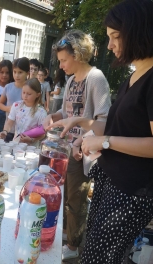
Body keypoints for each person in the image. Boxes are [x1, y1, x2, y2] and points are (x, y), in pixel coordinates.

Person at [47, 0, 153, 263]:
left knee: (98, 258)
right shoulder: (135, 75)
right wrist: (84, 128)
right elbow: (117, 126)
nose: (110, 45)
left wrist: (105, 142)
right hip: (111, 182)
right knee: (94, 254)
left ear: (140, 31)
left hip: (131, 193)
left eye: (116, 37)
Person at [42, 29, 111, 260]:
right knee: (66, 194)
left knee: (76, 199)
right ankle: (69, 234)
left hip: (84, 153)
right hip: (67, 148)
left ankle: (73, 246)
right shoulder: (71, 80)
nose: (60, 65)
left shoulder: (96, 78)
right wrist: (53, 117)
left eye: (63, 60)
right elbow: (68, 111)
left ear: (78, 55)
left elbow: (104, 120)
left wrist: (82, 139)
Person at [0, 78, 47, 145]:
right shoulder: (16, 105)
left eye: (29, 94)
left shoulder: (41, 112)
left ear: (37, 95)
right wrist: (5, 131)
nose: (25, 96)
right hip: (15, 144)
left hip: (31, 149)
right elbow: (9, 122)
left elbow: (43, 133)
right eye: (23, 92)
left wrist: (31, 140)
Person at [0, 57, 30, 142]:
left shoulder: (30, 89)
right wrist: (8, 108)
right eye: (14, 72)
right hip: (8, 129)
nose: (16, 75)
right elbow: (0, 104)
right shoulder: (8, 87)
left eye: (20, 72)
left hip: (24, 132)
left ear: (27, 73)